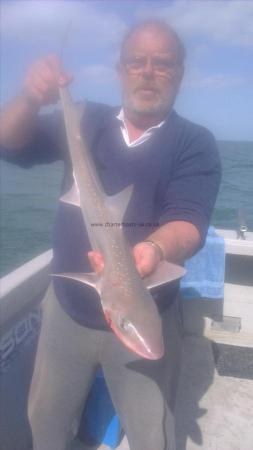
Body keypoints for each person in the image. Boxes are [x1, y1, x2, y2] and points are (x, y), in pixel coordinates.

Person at [0, 20, 221, 450]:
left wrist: (155, 249)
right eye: (137, 62)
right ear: (120, 69)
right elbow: (9, 141)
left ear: (179, 72)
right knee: (45, 423)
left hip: (146, 309)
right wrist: (30, 98)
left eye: (162, 64)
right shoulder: (84, 118)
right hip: (67, 311)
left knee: (154, 435)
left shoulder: (195, 142)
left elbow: (190, 225)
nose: (148, 72)